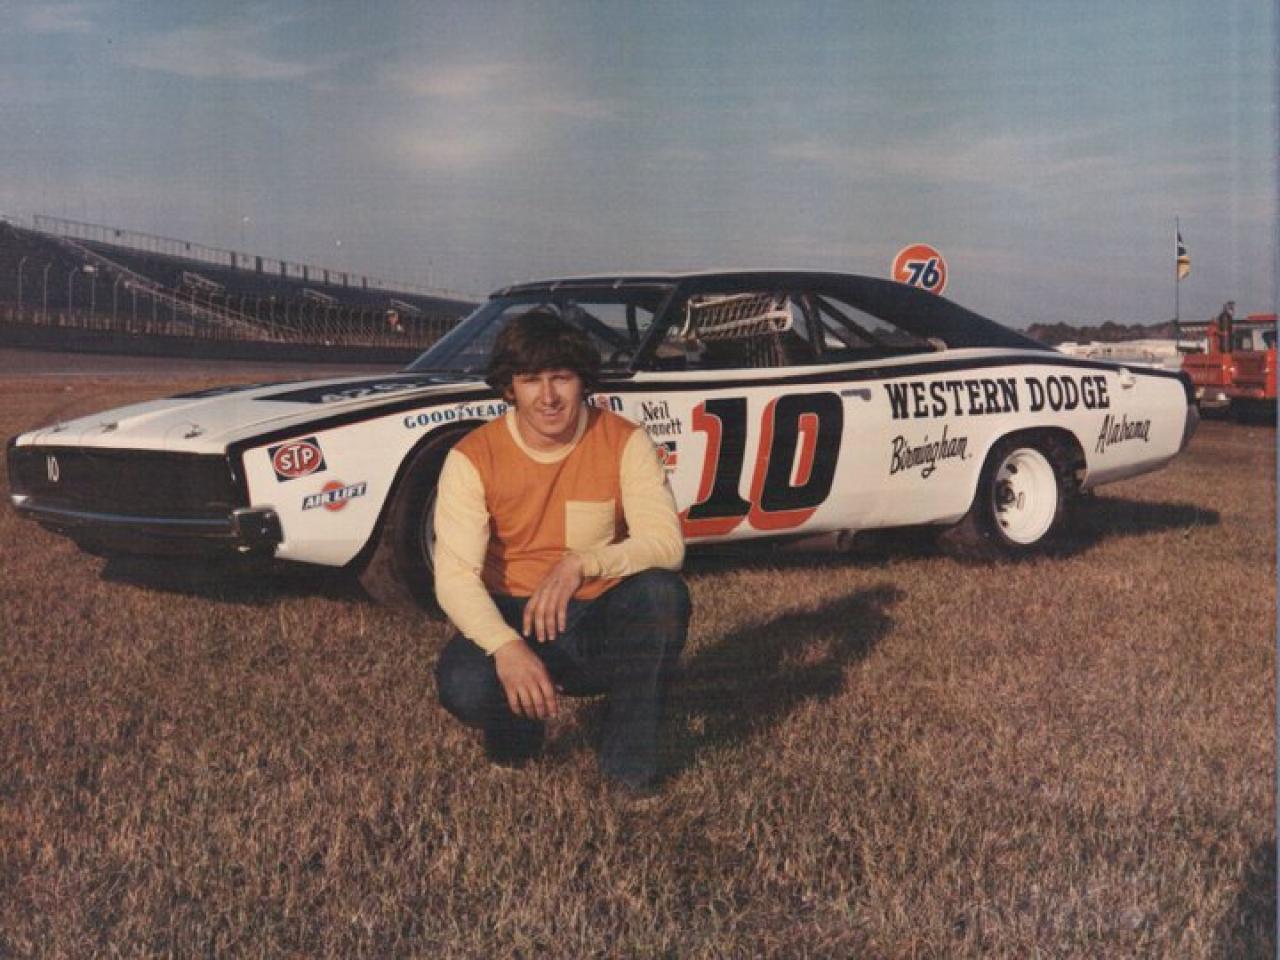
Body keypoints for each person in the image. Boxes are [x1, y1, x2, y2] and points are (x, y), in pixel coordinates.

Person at [433, 307, 690, 794]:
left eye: (561, 378)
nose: (548, 397)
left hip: (594, 614)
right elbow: (455, 577)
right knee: (466, 684)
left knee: (661, 594)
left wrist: (582, 564)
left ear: (583, 381)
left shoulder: (624, 440)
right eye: (531, 380)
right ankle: (516, 739)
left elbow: (666, 544)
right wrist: (507, 647)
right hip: (510, 612)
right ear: (509, 387)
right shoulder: (472, 457)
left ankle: (629, 773)